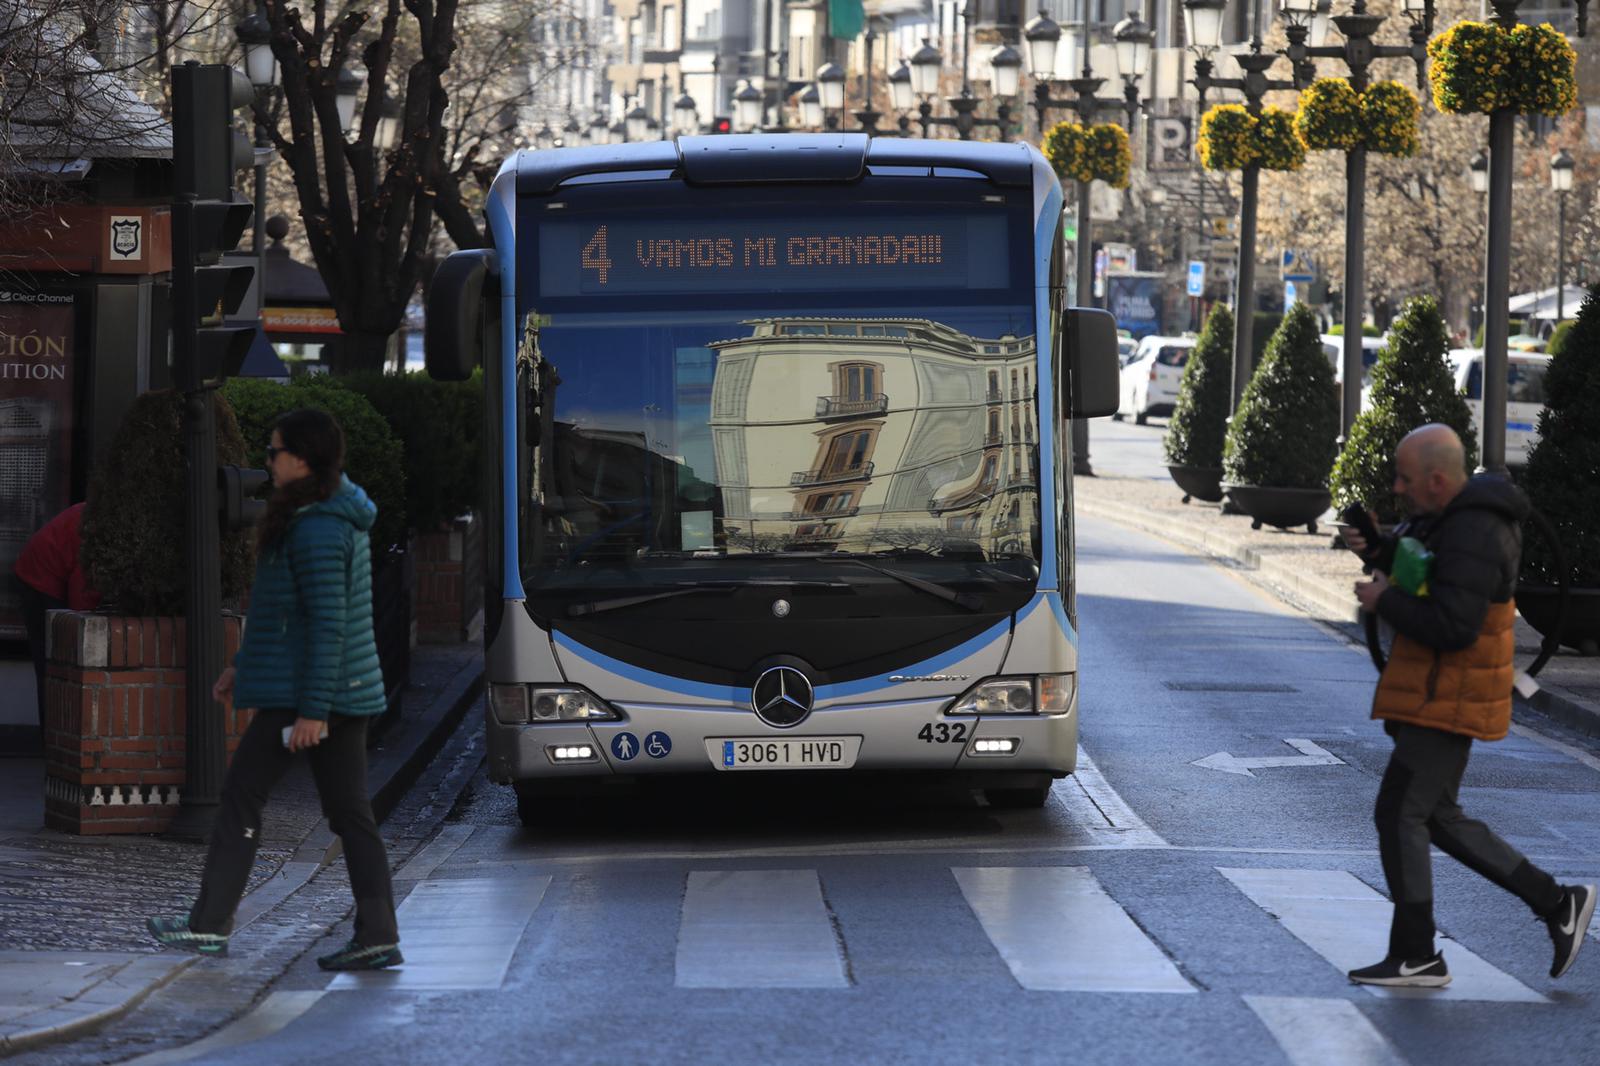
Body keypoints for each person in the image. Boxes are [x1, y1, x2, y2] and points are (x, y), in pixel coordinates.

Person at [147, 409, 402, 971]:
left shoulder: (317, 527)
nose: (267, 460)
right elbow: (279, 614)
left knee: (242, 795)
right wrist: (243, 666)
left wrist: (312, 711)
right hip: (328, 690)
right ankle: (379, 932)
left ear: (302, 460)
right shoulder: (322, 512)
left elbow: (325, 623)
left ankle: (209, 925)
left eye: (274, 451)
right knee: (349, 813)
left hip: (312, 695)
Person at [1342, 423, 1594, 988]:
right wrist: (1378, 546)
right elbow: (1430, 577)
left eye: (1405, 479)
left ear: (1436, 479)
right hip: (1437, 692)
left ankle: (1417, 954)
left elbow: (1452, 626)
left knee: (1399, 812)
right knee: (1436, 816)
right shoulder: (1452, 518)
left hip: (1448, 693)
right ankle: (1558, 903)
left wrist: (1384, 600)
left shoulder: (1476, 530)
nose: (1397, 487)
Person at [12, 501, 101, 735]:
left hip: (38, 570)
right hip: (39, 580)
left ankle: (54, 742)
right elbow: (82, 591)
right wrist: (83, 629)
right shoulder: (97, 530)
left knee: (52, 665)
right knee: (52, 664)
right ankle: (53, 743)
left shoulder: (98, 515)